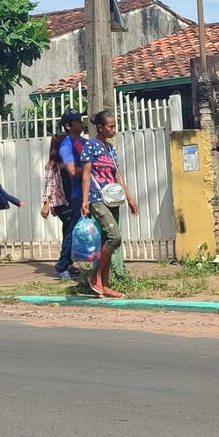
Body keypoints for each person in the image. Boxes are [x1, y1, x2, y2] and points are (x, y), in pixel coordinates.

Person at [81, 110, 138, 298]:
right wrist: (84, 201)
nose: (114, 129)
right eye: (110, 126)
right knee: (115, 236)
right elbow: (86, 174)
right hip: (97, 198)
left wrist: (129, 199)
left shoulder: (110, 149)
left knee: (108, 241)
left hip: (113, 198)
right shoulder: (91, 145)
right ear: (100, 127)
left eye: (114, 126)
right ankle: (94, 274)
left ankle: (103, 285)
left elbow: (117, 176)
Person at [57, 110, 88, 279]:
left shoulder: (86, 142)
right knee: (73, 230)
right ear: (69, 126)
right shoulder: (66, 144)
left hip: (93, 192)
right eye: (77, 121)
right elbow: (71, 170)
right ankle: (62, 265)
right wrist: (91, 169)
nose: (81, 123)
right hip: (77, 194)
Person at [41, 134, 71, 278]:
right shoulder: (52, 164)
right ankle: (62, 266)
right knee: (70, 232)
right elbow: (49, 185)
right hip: (60, 203)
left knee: (68, 232)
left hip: (69, 201)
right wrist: (45, 205)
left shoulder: (68, 160)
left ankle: (68, 263)